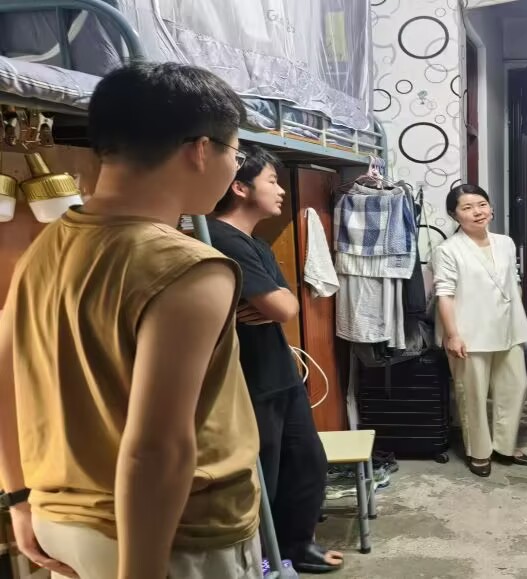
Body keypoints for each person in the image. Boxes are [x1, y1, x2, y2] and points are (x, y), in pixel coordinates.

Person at [0, 62, 262, 579]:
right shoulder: (190, 268)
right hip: (168, 537)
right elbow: (157, 449)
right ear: (200, 149)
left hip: (59, 521)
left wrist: (20, 498)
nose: (234, 168)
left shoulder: (45, 246)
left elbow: (4, 377)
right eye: (235, 153)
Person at [208, 144, 343, 574]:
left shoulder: (256, 243)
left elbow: (288, 304)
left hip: (278, 371)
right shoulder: (219, 238)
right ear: (240, 187)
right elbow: (283, 307)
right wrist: (273, 304)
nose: (281, 190)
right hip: (250, 379)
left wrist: (272, 303)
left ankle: (296, 547)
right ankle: (265, 559)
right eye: (272, 181)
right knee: (262, 474)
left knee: (306, 462)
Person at [432, 184, 527, 477]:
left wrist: (519, 319)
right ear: (455, 215)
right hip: (469, 333)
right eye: (467, 207)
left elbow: (513, 283)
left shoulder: (505, 243)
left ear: (491, 208)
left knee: (515, 387)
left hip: (509, 328)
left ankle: (504, 446)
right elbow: (444, 294)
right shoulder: (448, 250)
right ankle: (479, 451)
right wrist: (452, 335)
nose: (477, 212)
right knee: (473, 395)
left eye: (482, 204)